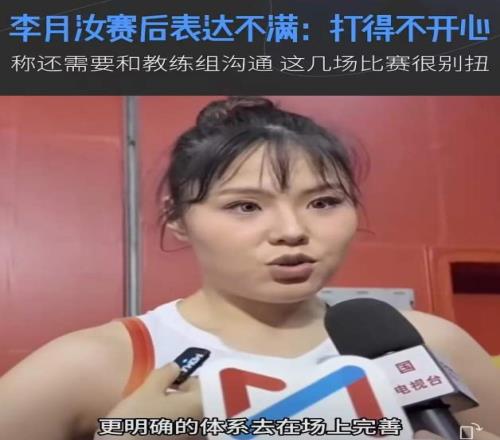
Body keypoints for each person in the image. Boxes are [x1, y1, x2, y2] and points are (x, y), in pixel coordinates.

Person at [0, 97, 498, 440]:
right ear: (178, 220)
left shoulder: (430, 344)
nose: (292, 230)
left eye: (324, 202)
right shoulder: (97, 363)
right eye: (245, 206)